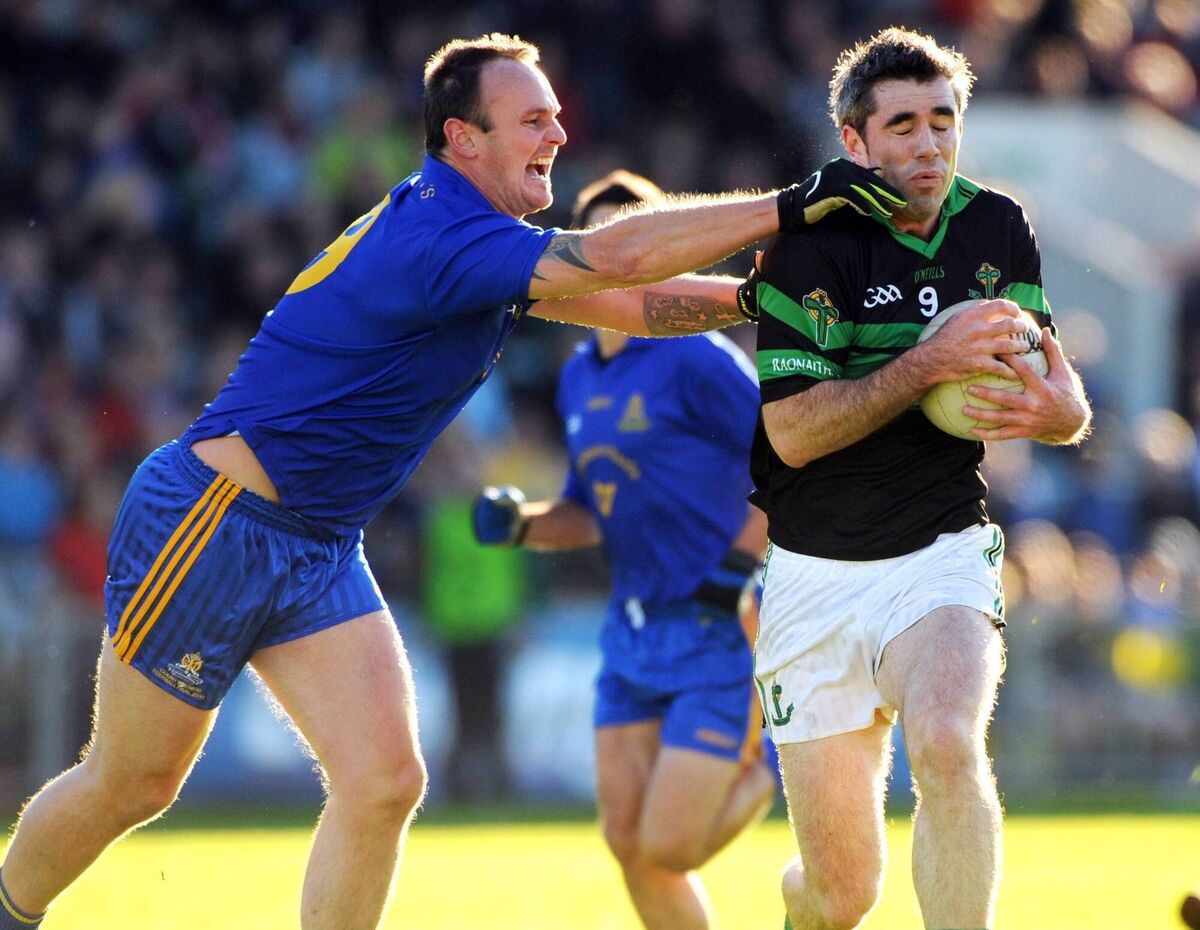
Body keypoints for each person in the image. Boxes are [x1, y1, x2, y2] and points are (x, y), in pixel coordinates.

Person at [0, 33, 903, 930]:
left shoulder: (481, 241)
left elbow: (632, 305)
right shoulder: (442, 232)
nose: (557, 134)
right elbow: (617, 261)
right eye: (532, 119)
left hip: (318, 542)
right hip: (216, 520)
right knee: (133, 783)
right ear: (463, 139)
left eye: (556, 116)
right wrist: (794, 206)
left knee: (386, 781)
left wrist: (751, 298)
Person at [746, 27, 1092, 930]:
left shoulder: (997, 226)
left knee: (946, 742)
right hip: (814, 575)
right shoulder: (809, 248)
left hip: (941, 551)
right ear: (853, 141)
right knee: (840, 896)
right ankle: (802, 901)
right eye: (902, 126)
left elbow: (1059, 392)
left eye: (943, 121)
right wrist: (926, 365)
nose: (929, 144)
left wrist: (1060, 412)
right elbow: (792, 435)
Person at [472, 169, 777, 930]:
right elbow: (589, 511)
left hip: (716, 624)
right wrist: (522, 524)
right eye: (605, 238)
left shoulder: (696, 354)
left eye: (637, 236)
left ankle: (765, 769)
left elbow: (788, 461)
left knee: (668, 847)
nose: (623, 252)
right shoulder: (579, 375)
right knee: (626, 842)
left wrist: (738, 570)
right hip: (631, 632)